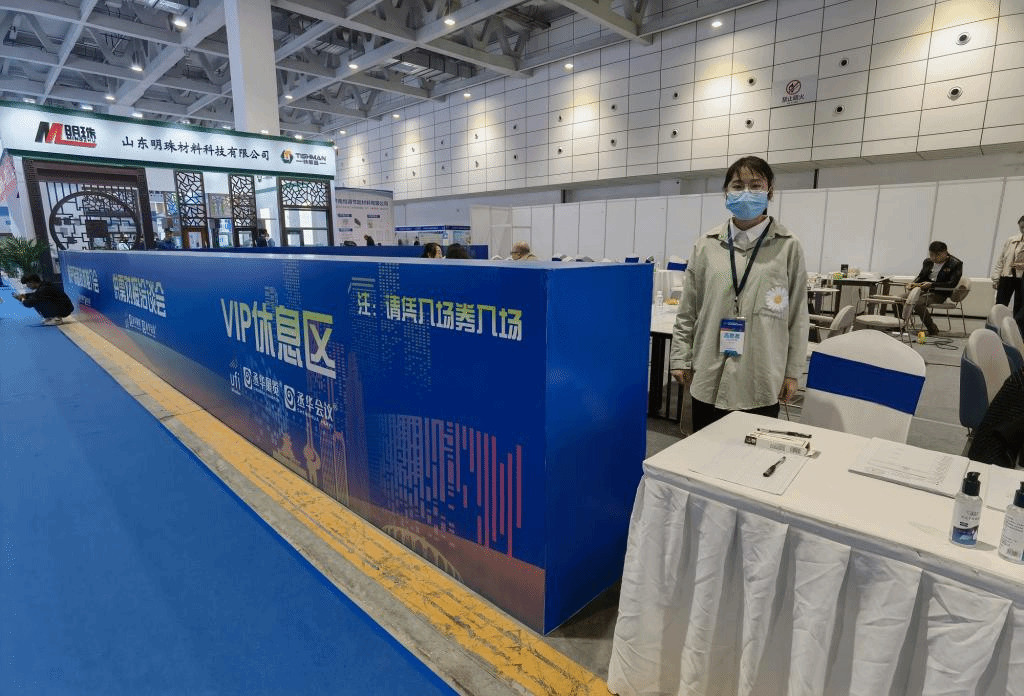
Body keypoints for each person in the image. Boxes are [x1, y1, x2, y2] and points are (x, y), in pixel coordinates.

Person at [669, 156, 808, 433]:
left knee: (752, 455)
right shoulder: (706, 246)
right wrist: (680, 357)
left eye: (755, 185)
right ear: (726, 192)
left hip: (761, 376)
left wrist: (792, 372)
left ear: (770, 191)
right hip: (709, 373)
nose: (746, 192)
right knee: (705, 451)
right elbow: (688, 310)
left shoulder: (788, 247)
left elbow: (798, 316)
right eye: (737, 185)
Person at [907, 241, 963, 336]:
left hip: (940, 293)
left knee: (917, 302)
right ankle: (900, 326)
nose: (934, 258)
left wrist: (932, 285)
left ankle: (932, 328)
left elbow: (951, 284)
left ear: (945, 253)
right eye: (931, 255)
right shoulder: (928, 262)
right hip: (924, 290)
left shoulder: (955, 264)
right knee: (901, 298)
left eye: (937, 255)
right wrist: (913, 284)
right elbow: (921, 276)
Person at [992, 215, 1024, 315]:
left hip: (1022, 278)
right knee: (1000, 304)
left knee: (1019, 307)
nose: (1023, 230)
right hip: (1007, 276)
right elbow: (1001, 260)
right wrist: (996, 278)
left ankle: (1016, 324)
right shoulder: (1011, 240)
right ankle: (997, 323)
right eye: (1022, 227)